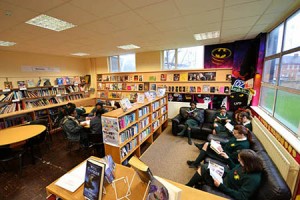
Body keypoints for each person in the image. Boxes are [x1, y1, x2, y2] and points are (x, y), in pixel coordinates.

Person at [186, 149, 263, 200]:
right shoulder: (246, 165)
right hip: (224, 177)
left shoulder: (253, 179)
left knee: (203, 169)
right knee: (204, 167)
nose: (238, 160)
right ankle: (189, 186)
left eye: (240, 159)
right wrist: (227, 158)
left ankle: (188, 187)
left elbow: (242, 196)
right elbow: (235, 168)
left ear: (247, 162)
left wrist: (221, 186)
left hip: (225, 187)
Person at [187, 125, 252, 168]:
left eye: (235, 133)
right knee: (207, 144)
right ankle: (196, 163)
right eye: (233, 132)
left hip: (226, 157)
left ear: (242, 134)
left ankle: (195, 163)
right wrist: (219, 143)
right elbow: (228, 143)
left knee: (206, 148)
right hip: (222, 150)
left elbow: (232, 157)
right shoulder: (236, 137)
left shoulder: (243, 145)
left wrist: (222, 150)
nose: (233, 134)